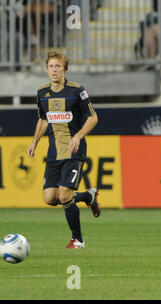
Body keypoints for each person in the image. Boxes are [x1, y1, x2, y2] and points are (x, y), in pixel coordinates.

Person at [27, 51, 101, 249]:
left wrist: (78, 136)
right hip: (53, 153)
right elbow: (43, 119)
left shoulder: (77, 91)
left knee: (65, 195)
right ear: (46, 69)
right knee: (50, 198)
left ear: (65, 70)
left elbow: (93, 118)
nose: (54, 70)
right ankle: (88, 197)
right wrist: (34, 142)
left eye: (58, 66)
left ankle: (78, 240)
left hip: (73, 150)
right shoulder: (42, 94)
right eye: (51, 66)